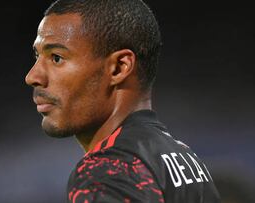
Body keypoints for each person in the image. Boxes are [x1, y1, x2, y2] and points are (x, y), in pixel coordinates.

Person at [25, 0, 221, 202]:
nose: (32, 76)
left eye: (56, 57)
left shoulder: (107, 171)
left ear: (119, 67)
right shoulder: (186, 161)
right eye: (37, 55)